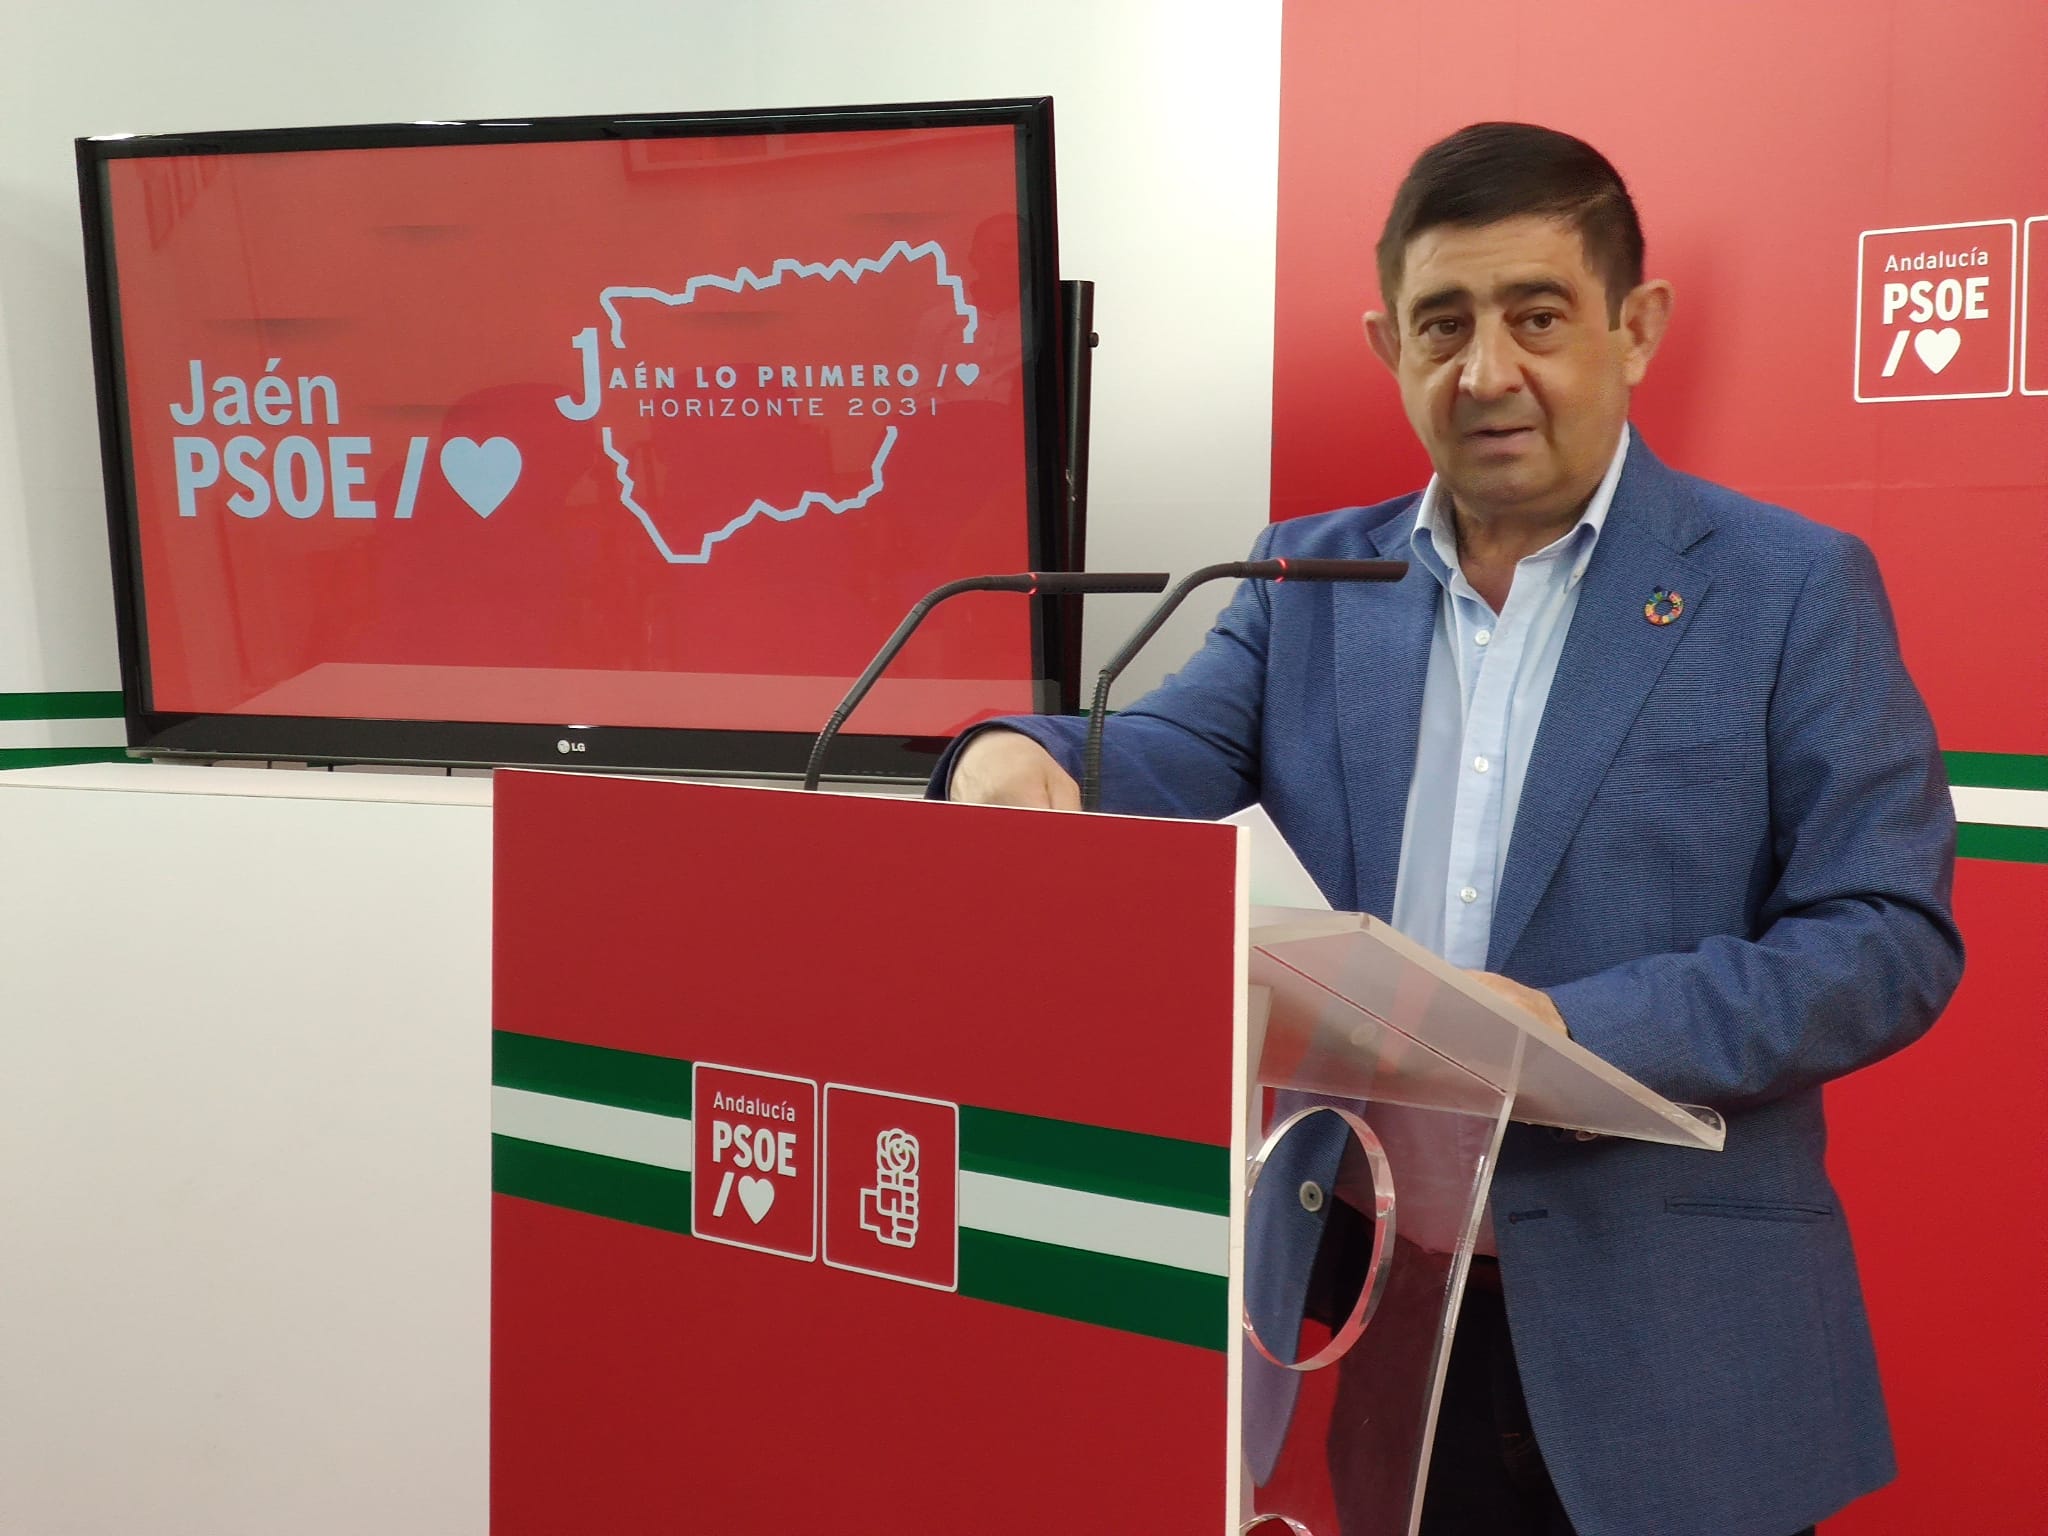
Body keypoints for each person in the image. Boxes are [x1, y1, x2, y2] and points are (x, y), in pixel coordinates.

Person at [932, 122, 1963, 1536]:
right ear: (1387, 342)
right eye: (1442, 325)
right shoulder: (1309, 576)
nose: (1488, 373)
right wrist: (1014, 752)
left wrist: (1563, 1029)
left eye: (1537, 317)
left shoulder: (1789, 591)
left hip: (1667, 1341)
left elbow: (1884, 937)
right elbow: (1163, 749)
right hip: (1372, 1311)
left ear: (1635, 326)